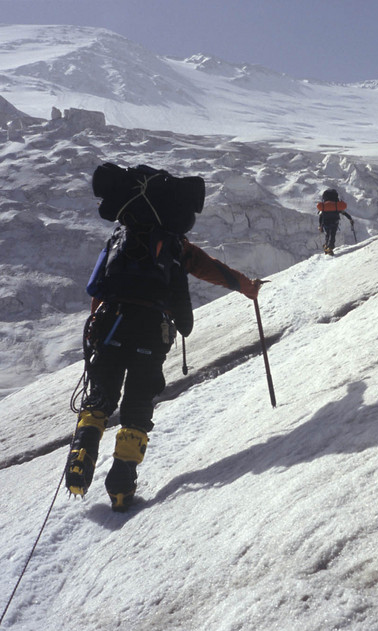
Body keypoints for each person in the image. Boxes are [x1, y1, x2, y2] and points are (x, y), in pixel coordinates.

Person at [66, 164, 262, 511]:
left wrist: (97, 326)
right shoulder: (174, 245)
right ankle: (122, 481)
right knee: (138, 405)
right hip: (151, 331)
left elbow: (97, 287)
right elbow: (212, 269)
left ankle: (84, 445)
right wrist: (247, 288)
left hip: (110, 322)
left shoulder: (118, 239)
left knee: (100, 396)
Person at [316, 188, 354, 255]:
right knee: (332, 235)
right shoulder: (336, 206)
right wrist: (350, 219)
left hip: (326, 223)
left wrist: (320, 226)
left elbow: (321, 216)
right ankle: (329, 248)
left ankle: (327, 247)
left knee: (328, 235)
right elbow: (344, 213)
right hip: (334, 222)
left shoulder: (324, 207)